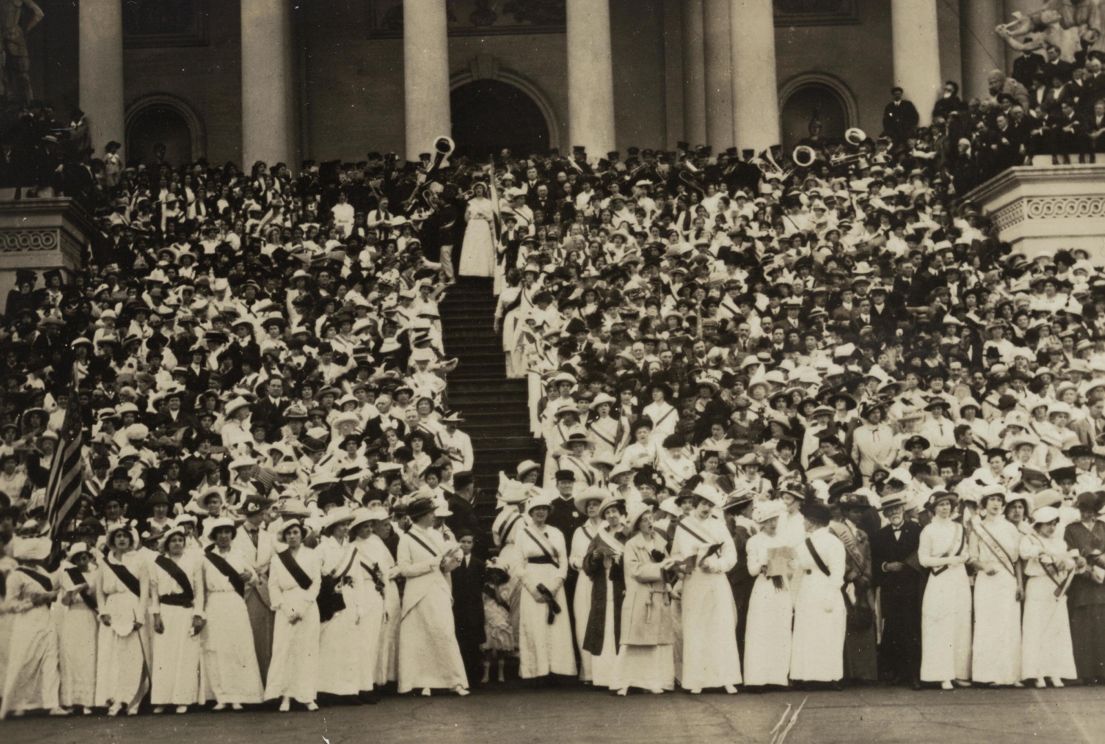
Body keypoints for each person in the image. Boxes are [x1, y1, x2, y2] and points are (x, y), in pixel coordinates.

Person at [396, 495, 470, 696]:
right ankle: (423, 682)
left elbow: (444, 566)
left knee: (444, 632)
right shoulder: (406, 539)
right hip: (418, 592)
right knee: (421, 636)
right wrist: (432, 563)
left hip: (439, 588)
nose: (433, 516)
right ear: (420, 516)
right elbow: (404, 569)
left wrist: (454, 560)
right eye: (430, 513)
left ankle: (454, 681)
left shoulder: (437, 536)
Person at [671, 482, 740, 694]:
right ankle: (696, 680)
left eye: (709, 504)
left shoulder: (719, 525)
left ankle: (725, 678)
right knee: (695, 627)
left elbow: (731, 555)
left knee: (721, 626)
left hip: (716, 580)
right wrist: (683, 568)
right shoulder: (683, 526)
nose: (705, 508)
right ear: (694, 503)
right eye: (702, 503)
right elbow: (675, 556)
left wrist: (716, 565)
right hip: (694, 582)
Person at [201, 517, 265, 710]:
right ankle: (221, 696)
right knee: (217, 649)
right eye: (220, 532)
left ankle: (238, 695)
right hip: (214, 603)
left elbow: (255, 578)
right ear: (214, 536)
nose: (223, 536)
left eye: (227, 532)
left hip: (235, 603)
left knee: (237, 647)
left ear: (232, 534)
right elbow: (200, 586)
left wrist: (249, 576)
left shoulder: (239, 554)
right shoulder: (205, 557)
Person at [0, 531, 64, 718]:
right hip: (26, 620)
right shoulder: (15, 576)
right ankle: (19, 702)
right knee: (25, 660)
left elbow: (52, 589)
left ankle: (52, 703)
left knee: (50, 656)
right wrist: (31, 602)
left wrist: (50, 595)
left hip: (45, 617)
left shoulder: (43, 572)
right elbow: (9, 605)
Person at [614, 503, 676, 695]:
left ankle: (655, 681)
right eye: (645, 520)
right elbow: (636, 571)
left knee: (658, 641)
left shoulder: (660, 542)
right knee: (636, 640)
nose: (650, 522)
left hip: (658, 595)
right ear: (638, 525)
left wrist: (671, 573)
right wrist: (662, 567)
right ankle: (625, 681)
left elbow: (667, 567)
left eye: (651, 518)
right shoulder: (632, 545)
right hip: (641, 596)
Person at [517, 490, 577, 680]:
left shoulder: (556, 532)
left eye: (544, 509)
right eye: (537, 509)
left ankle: (558, 671)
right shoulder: (522, 533)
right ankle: (536, 671)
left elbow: (564, 561)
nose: (540, 513)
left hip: (553, 580)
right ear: (531, 512)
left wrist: (557, 583)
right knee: (535, 625)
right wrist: (532, 589)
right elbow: (518, 565)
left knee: (556, 626)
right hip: (533, 581)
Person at [264, 518, 322, 712]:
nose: (292, 536)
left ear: (301, 534)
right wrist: (286, 608)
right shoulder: (277, 558)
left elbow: (316, 583)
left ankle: (307, 696)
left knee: (307, 649)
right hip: (285, 606)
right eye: (288, 533)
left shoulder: (313, 555)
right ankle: (285, 696)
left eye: (295, 532)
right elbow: (273, 586)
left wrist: (303, 607)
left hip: (307, 604)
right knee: (285, 650)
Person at [969, 486, 1023, 687]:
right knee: (988, 625)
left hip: (1008, 580)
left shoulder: (1010, 528)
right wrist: (983, 566)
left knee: (1008, 625)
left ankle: (1010, 675)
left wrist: (1019, 584)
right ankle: (988, 675)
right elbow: (972, 558)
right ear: (984, 504)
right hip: (987, 579)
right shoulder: (978, 528)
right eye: (991, 500)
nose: (996, 504)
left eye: (999, 500)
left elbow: (1017, 559)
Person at [1020, 504, 1079, 687]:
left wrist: (1067, 563)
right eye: (1047, 524)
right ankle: (1037, 673)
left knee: (1056, 628)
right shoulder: (1029, 539)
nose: (1051, 528)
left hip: (1056, 588)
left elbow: (1070, 561)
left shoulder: (1060, 542)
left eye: (1054, 524)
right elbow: (1024, 553)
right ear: (1038, 525)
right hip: (1038, 585)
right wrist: (1038, 552)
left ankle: (1055, 671)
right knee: (1037, 628)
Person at [917, 491, 971, 689]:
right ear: (933, 508)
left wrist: (963, 557)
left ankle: (958, 672)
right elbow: (924, 560)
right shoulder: (928, 531)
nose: (945, 508)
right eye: (940, 505)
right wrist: (948, 560)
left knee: (960, 624)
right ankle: (942, 674)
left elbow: (966, 552)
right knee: (940, 624)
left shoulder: (959, 528)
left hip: (959, 578)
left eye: (948, 504)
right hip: (940, 580)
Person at [148, 525, 205, 714]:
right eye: (173, 540)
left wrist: (198, 615)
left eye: (180, 540)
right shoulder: (158, 563)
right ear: (167, 544)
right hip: (165, 611)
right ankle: (162, 699)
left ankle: (184, 699)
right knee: (165, 655)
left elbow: (199, 591)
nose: (177, 543)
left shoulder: (193, 562)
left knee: (185, 655)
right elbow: (154, 592)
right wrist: (156, 615)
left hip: (185, 611)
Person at [790, 499, 846, 688]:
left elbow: (838, 572)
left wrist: (830, 595)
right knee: (810, 631)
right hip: (809, 588)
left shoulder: (832, 543)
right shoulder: (804, 542)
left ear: (812, 521)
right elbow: (798, 567)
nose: (803, 522)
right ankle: (809, 675)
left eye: (805, 519)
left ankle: (828, 676)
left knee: (825, 631)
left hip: (823, 588)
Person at [94, 523, 149, 716]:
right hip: (112, 608)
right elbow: (99, 591)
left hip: (132, 608)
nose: (122, 539)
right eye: (118, 536)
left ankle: (130, 699)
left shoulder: (139, 561)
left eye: (125, 536)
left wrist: (140, 616)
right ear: (112, 540)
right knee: (111, 656)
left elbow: (144, 592)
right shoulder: (104, 563)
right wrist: (102, 612)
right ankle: (113, 698)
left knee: (131, 656)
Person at [870, 493, 923, 688]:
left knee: (913, 629)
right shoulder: (879, 535)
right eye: (890, 510)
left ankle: (914, 674)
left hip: (911, 587)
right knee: (893, 628)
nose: (894, 512)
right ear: (884, 513)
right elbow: (874, 562)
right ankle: (897, 673)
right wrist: (885, 566)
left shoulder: (917, 530)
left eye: (897, 508)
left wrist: (907, 566)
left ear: (903, 509)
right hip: (891, 589)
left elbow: (923, 554)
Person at [742, 499, 794, 688]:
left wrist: (787, 562)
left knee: (780, 629)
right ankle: (757, 678)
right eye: (769, 520)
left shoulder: (784, 539)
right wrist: (764, 563)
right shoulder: (754, 541)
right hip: (764, 587)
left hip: (782, 588)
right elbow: (751, 570)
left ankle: (777, 677)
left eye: (775, 520)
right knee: (761, 630)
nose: (773, 524)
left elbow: (791, 568)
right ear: (762, 522)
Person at [316, 507, 363, 700]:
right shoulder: (322, 549)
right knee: (329, 644)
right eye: (341, 525)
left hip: (350, 598)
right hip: (331, 600)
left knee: (349, 645)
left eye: (347, 525)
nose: (345, 528)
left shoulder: (351, 549)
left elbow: (358, 577)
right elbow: (317, 575)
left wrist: (360, 604)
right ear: (332, 528)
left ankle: (348, 690)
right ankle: (326, 689)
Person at [582, 496, 628, 689]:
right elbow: (586, 564)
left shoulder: (629, 534)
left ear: (621, 514)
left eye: (614, 512)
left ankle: (622, 676)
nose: (611, 516)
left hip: (621, 585)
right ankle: (602, 677)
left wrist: (620, 560)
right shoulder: (599, 536)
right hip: (602, 586)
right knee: (604, 625)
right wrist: (594, 558)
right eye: (607, 513)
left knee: (621, 625)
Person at [1064, 491, 1105, 684]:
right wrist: (1088, 571)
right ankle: (1085, 672)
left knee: (1101, 626)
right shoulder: (1071, 529)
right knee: (1083, 627)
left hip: (1102, 581)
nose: (1086, 514)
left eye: (1089, 510)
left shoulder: (1103, 527)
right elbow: (1072, 554)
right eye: (1082, 509)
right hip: (1082, 582)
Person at [349, 506, 387, 701]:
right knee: (362, 641)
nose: (369, 530)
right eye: (364, 527)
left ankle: (372, 681)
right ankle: (362, 685)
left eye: (371, 526)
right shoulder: (352, 547)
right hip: (361, 591)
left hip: (376, 592)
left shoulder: (377, 543)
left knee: (374, 640)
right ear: (356, 529)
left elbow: (386, 568)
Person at [56, 542, 99, 714]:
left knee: (88, 657)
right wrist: (71, 593)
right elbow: (64, 602)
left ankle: (88, 701)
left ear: (89, 557)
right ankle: (71, 700)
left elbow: (97, 600)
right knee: (72, 657)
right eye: (78, 556)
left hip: (89, 617)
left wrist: (86, 589)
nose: (82, 558)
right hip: (73, 617)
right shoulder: (67, 575)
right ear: (74, 559)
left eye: (85, 555)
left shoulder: (96, 575)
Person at [569, 485, 605, 683]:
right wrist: (579, 563)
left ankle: (604, 672)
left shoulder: (608, 528)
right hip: (585, 579)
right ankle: (588, 672)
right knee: (583, 620)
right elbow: (573, 557)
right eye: (589, 505)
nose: (592, 508)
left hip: (604, 579)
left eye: (595, 504)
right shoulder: (579, 531)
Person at [451, 530, 487, 686]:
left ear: (473, 545)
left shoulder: (479, 564)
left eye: (469, 542)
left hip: (474, 606)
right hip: (458, 606)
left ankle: (475, 676)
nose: (465, 545)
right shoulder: (453, 562)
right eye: (462, 541)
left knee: (474, 640)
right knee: (460, 639)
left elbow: (481, 584)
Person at [458, 181, 497, 277]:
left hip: (483, 226)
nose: (479, 190)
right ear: (474, 190)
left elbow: (491, 217)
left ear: (483, 190)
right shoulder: (470, 202)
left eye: (480, 188)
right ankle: (470, 272)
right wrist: (471, 219)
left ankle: (483, 272)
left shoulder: (489, 202)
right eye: (477, 188)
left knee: (483, 248)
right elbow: (466, 217)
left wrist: (483, 216)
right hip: (473, 226)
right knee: (472, 247)